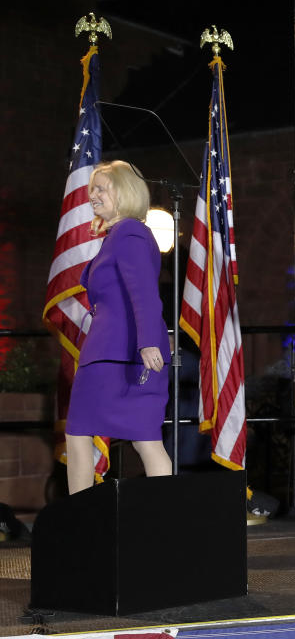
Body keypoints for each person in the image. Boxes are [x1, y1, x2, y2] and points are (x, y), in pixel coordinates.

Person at [64, 160, 172, 494]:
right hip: (109, 355)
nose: (91, 195)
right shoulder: (117, 236)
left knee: (144, 439)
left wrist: (149, 342)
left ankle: (164, 518)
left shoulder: (130, 232)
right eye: (91, 188)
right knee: (84, 434)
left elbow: (144, 292)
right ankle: (82, 517)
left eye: (100, 188)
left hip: (124, 356)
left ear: (124, 192)